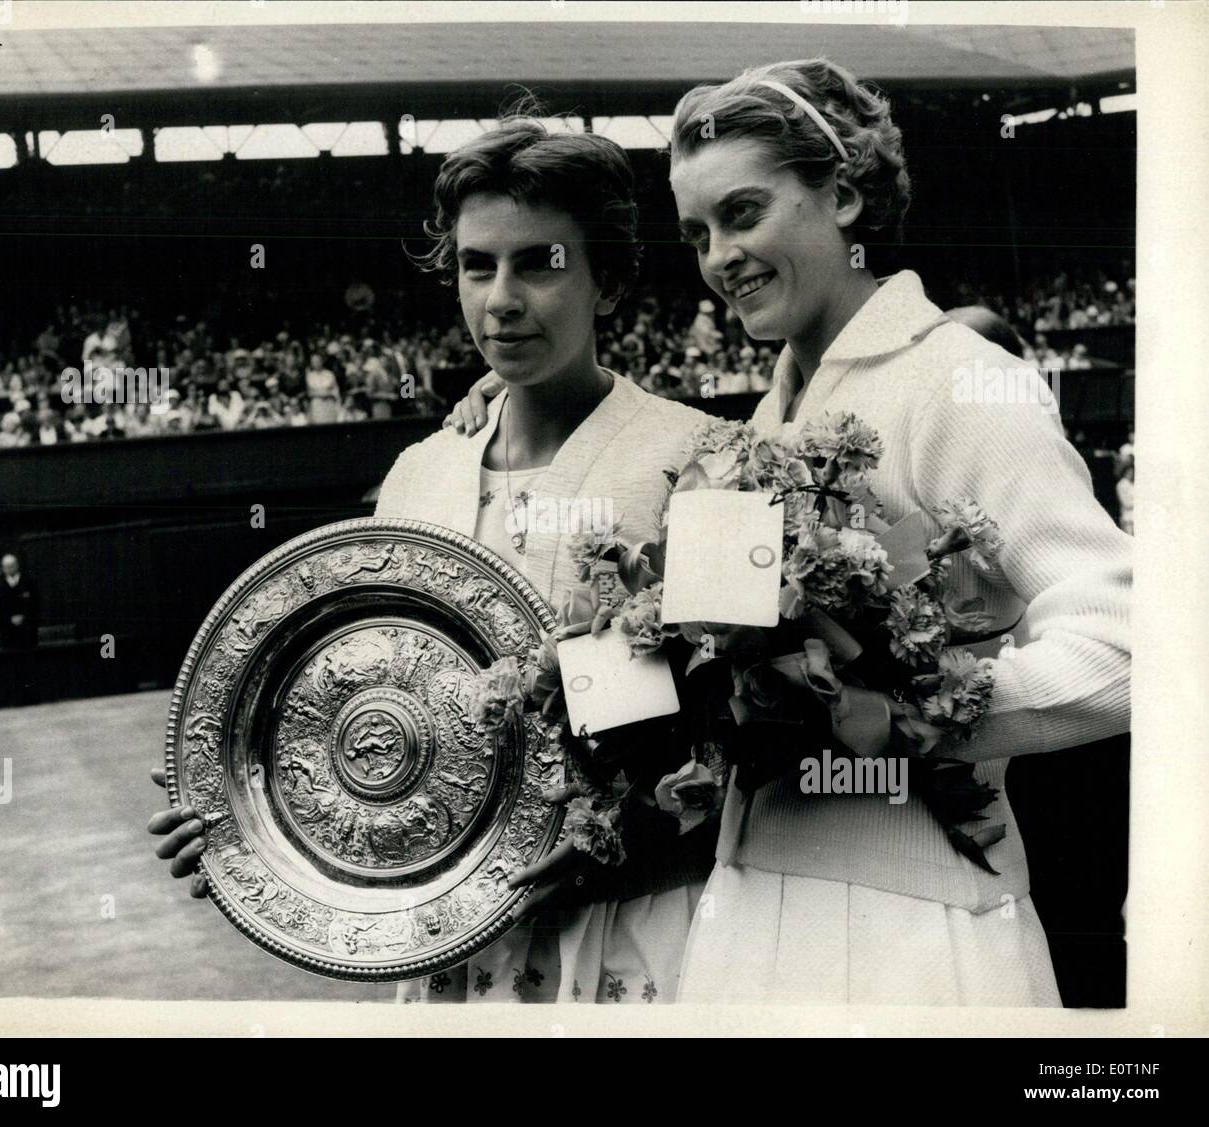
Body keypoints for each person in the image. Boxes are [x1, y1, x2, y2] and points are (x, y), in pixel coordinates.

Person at [445, 58, 1131, 1006]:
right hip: (747, 910)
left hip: (909, 927)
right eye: (696, 233)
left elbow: (1128, 645)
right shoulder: (761, 428)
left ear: (844, 194)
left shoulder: (959, 381)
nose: (720, 257)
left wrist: (914, 721)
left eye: (744, 213)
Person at [147, 112, 719, 1005]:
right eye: (476, 264)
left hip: (642, 939)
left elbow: (762, 741)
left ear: (609, 283)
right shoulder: (419, 475)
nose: (501, 297)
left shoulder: (704, 458)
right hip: (447, 962)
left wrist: (625, 839)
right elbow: (365, 723)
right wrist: (234, 815)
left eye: (540, 262)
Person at [0, 552, 40, 649]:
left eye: (12, 565)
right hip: (7, 631)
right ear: (3, 568)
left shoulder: (29, 581)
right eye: (6, 566)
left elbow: (36, 603)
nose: (9, 569)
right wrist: (9, 619)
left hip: (27, 628)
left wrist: (24, 617)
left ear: (17, 565)